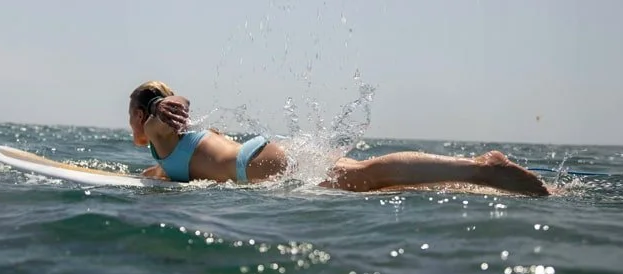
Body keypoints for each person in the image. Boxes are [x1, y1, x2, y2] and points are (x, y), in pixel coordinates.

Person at [133, 81, 550, 196]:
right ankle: (468, 177)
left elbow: (166, 111)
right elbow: (185, 169)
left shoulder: (160, 131)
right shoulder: (167, 154)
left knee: (367, 175)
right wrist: (154, 174)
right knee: (371, 181)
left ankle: (480, 170)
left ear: (139, 112)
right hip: (263, 156)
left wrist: (161, 108)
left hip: (258, 166)